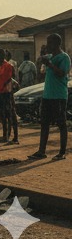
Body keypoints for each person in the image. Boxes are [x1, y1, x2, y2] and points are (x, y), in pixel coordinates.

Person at [28, 33, 70, 161]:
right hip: (47, 95)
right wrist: (43, 62)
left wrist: (50, 64)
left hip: (59, 95)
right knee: (44, 123)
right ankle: (41, 151)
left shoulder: (64, 57)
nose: (47, 46)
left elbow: (62, 73)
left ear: (57, 44)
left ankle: (62, 152)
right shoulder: (49, 57)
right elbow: (42, 74)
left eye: (50, 43)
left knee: (61, 123)